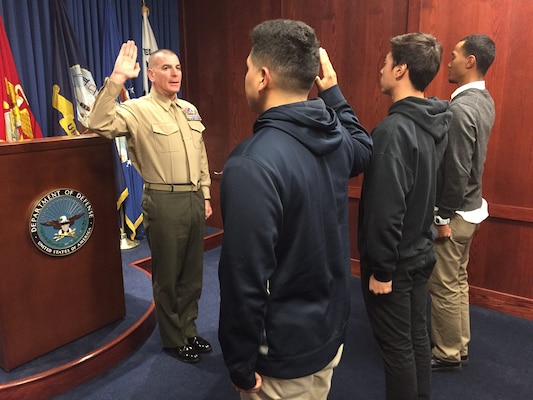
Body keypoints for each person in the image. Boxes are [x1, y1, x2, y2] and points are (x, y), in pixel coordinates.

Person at [218, 19, 372, 400]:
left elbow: (244, 279)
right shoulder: (334, 136)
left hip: (283, 354)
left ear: (263, 78)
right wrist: (333, 92)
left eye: (248, 69)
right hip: (329, 332)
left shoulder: (250, 164)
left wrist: (239, 362)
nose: (246, 77)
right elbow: (363, 146)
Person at [86, 41, 213, 364]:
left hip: (194, 199)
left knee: (192, 274)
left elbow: (200, 155)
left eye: (179, 67)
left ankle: (189, 329)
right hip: (164, 200)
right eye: (167, 68)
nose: (175, 73)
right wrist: (116, 80)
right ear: (152, 74)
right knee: (168, 275)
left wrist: (206, 194)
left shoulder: (189, 110)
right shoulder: (137, 109)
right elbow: (98, 124)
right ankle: (173, 339)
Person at [357, 33, 452, 399]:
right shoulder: (435, 120)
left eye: (385, 62)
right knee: (415, 340)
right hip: (420, 252)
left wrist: (381, 269)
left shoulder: (393, 131)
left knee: (398, 348)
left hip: (394, 263)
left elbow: (386, 211)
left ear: (400, 69)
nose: (380, 68)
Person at [428, 34, 496, 372]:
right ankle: (458, 345)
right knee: (457, 281)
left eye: (454, 54)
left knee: (442, 285)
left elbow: (455, 170)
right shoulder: (484, 100)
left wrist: (441, 218)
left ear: (470, 61)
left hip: (455, 214)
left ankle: (447, 352)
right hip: (471, 210)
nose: (449, 60)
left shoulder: (461, 109)